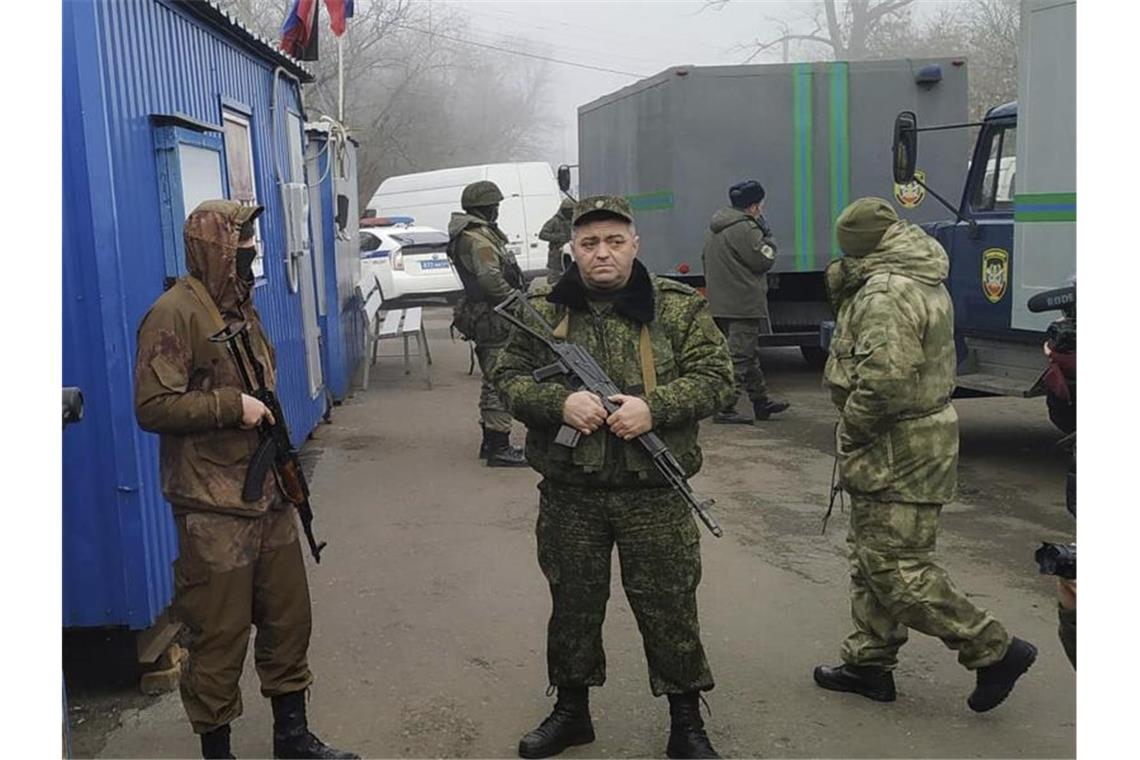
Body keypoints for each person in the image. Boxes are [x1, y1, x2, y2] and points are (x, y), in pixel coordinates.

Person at [493, 195, 735, 759]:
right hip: (571, 493)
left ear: (636, 245)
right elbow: (506, 377)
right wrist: (560, 403)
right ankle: (571, 711)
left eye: (615, 241)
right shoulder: (543, 307)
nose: (603, 253)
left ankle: (686, 722)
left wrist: (656, 408)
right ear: (573, 249)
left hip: (653, 493)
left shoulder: (675, 307)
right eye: (590, 243)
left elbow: (718, 377)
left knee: (670, 605)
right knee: (573, 603)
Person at [134, 200, 357, 759]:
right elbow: (153, 405)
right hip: (213, 507)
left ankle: (292, 738)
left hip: (269, 497)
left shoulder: (241, 308)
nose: (252, 252)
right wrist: (232, 406)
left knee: (288, 620)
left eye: (252, 242)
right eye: (242, 242)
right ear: (215, 247)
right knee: (217, 636)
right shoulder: (176, 312)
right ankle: (219, 752)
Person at [813, 197, 1037, 712]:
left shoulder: (887, 291)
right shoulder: (914, 273)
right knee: (870, 557)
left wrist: (852, 429)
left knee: (897, 569)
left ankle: (993, 648)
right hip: (902, 443)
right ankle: (869, 662)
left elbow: (885, 382)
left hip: (898, 445)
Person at [448, 180, 528, 467]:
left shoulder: (470, 235)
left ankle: (491, 442)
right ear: (488, 208)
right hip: (494, 316)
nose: (497, 211)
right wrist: (518, 304)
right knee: (499, 380)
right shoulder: (478, 239)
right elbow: (490, 279)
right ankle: (499, 447)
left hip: (486, 313)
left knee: (492, 379)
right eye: (495, 206)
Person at [701, 179, 789, 424]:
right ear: (754, 206)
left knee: (748, 356)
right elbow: (763, 260)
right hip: (743, 302)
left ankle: (761, 402)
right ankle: (726, 408)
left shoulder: (716, 227)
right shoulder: (746, 229)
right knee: (739, 358)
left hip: (723, 301)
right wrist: (769, 239)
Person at [539, 197, 575, 285]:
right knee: (554, 282)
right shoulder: (554, 221)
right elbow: (542, 234)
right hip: (556, 258)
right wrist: (557, 237)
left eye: (571, 210)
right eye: (568, 210)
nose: (570, 212)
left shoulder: (574, 221)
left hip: (569, 256)